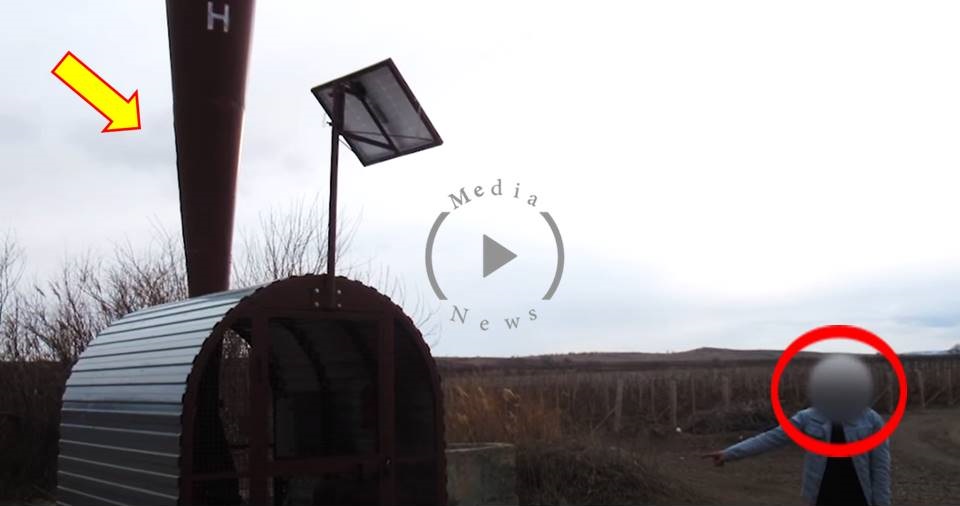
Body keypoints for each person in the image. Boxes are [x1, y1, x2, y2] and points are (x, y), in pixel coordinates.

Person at [702, 355, 892, 506]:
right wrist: (729, 453)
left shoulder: (872, 421)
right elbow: (770, 438)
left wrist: (882, 503)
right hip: (820, 496)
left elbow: (880, 468)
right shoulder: (808, 418)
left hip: (858, 497)